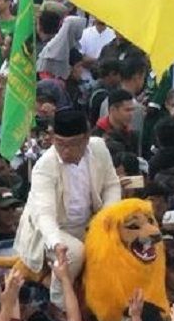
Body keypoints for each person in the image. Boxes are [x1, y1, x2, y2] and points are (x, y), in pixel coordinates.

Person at [13, 109, 121, 308]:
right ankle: (60, 305)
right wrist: (55, 243)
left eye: (72, 145)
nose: (65, 151)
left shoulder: (99, 149)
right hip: (50, 230)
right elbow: (44, 215)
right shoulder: (44, 166)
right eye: (59, 144)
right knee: (74, 253)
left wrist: (107, 217)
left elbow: (111, 185)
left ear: (87, 138)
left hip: (90, 223)